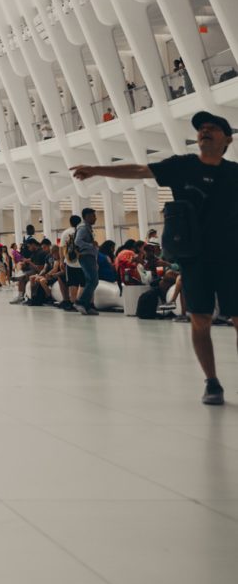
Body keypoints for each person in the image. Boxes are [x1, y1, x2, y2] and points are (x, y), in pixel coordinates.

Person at [73, 111, 238, 402]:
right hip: (194, 258)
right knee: (200, 319)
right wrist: (97, 170)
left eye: (213, 128)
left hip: (230, 256)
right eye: (201, 129)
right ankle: (212, 382)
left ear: (228, 139)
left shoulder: (234, 173)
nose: (204, 131)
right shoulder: (183, 166)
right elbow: (140, 170)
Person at [73, 207, 100, 315]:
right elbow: (78, 241)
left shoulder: (87, 227)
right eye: (93, 216)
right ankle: (80, 302)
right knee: (93, 280)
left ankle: (87, 306)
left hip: (89, 256)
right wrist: (90, 245)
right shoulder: (83, 228)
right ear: (87, 217)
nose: (95, 218)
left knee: (91, 281)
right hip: (86, 256)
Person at [57, 214, 83, 311]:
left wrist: (61, 261)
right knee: (83, 283)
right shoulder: (82, 231)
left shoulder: (66, 233)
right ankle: (82, 302)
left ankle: (73, 303)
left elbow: (61, 248)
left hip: (70, 262)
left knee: (73, 283)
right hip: (83, 262)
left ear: (70, 222)